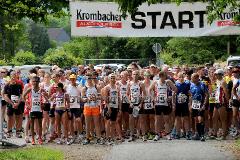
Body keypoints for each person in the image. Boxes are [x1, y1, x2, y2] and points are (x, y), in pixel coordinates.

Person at [150, 71, 177, 141]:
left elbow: (175, 89)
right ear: (160, 76)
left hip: (166, 103)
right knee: (157, 120)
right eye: (161, 76)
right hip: (158, 103)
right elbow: (150, 89)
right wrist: (153, 98)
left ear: (165, 76)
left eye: (164, 76)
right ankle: (157, 134)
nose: (163, 78)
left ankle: (167, 134)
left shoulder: (168, 82)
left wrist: (171, 96)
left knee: (166, 119)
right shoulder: (156, 82)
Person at [23, 76, 48, 145]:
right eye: (34, 81)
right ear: (32, 82)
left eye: (36, 81)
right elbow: (23, 96)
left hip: (39, 109)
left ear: (38, 82)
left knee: (40, 125)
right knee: (32, 124)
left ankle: (40, 138)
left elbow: (47, 96)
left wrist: (44, 102)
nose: (35, 83)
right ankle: (33, 139)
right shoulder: (30, 89)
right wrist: (27, 104)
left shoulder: (41, 89)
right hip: (32, 109)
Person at [3, 70, 24, 138]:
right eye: (12, 76)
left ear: (16, 76)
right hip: (10, 104)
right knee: (10, 118)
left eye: (15, 75)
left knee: (18, 117)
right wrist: (12, 103)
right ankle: (9, 131)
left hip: (18, 104)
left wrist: (18, 103)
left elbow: (21, 95)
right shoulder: (7, 85)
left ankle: (18, 132)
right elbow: (5, 96)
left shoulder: (19, 85)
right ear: (10, 76)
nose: (13, 77)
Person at [189, 73, 208, 141]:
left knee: (200, 119)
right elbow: (191, 96)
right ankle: (197, 134)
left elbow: (206, 95)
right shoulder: (191, 85)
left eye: (192, 78)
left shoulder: (203, 85)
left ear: (197, 78)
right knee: (196, 120)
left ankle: (202, 135)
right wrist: (190, 105)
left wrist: (204, 105)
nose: (191, 79)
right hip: (194, 105)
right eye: (191, 78)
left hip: (201, 104)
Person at [173, 72, 191, 140]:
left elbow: (190, 94)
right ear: (177, 77)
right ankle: (177, 133)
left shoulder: (187, 84)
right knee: (178, 119)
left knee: (186, 118)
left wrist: (189, 103)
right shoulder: (176, 84)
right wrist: (174, 104)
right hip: (178, 104)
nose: (181, 78)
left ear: (184, 77)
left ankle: (187, 133)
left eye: (182, 77)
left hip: (185, 104)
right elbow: (174, 95)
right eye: (179, 77)